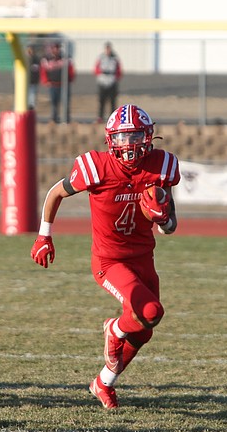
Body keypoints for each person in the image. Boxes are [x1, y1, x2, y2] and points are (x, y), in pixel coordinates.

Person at [30, 104, 181, 410]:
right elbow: (55, 193)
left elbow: (170, 227)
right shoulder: (94, 167)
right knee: (149, 310)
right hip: (109, 260)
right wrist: (44, 235)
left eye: (136, 135)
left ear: (149, 136)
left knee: (146, 328)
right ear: (111, 139)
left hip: (143, 258)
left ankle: (103, 383)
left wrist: (161, 216)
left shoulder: (162, 166)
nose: (130, 143)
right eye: (123, 137)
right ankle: (114, 329)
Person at [39, 42, 75, 123]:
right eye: (54, 48)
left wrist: (70, 79)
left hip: (64, 85)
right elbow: (43, 71)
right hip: (53, 85)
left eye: (57, 48)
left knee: (65, 102)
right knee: (54, 103)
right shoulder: (47, 59)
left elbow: (71, 69)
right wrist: (46, 81)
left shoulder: (65, 58)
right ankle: (54, 118)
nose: (56, 50)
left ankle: (66, 118)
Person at [94, 41, 123, 123]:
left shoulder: (115, 58)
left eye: (109, 48)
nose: (108, 50)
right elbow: (96, 68)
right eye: (106, 48)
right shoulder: (101, 57)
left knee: (112, 101)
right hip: (103, 81)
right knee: (101, 101)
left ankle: (113, 119)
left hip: (112, 81)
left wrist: (115, 78)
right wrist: (100, 77)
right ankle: (100, 117)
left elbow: (119, 70)